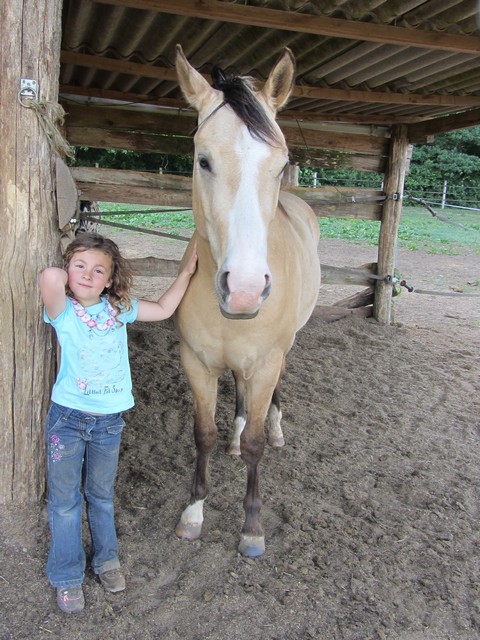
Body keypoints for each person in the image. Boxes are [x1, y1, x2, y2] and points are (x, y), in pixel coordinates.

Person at [39, 232, 197, 614]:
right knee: (64, 502)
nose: (88, 275)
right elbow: (49, 277)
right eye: (80, 266)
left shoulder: (118, 309)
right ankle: (67, 576)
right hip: (67, 421)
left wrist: (186, 273)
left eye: (99, 271)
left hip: (109, 423)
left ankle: (107, 560)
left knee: (101, 496)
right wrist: (68, 268)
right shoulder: (62, 310)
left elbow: (163, 308)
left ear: (111, 279)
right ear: (67, 270)